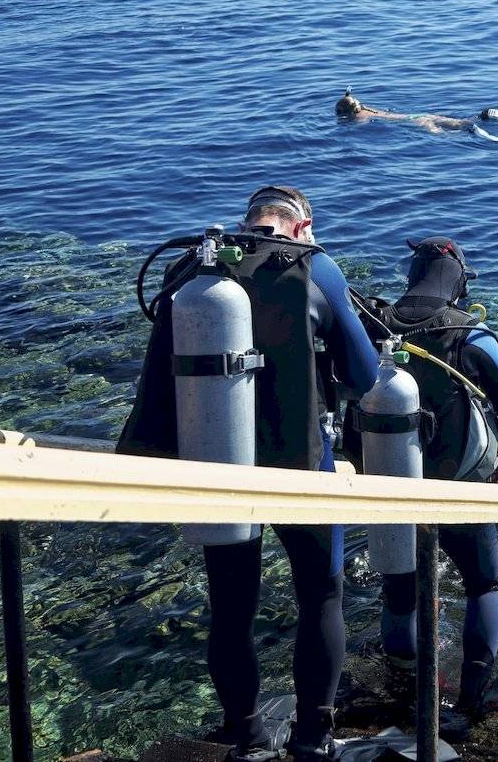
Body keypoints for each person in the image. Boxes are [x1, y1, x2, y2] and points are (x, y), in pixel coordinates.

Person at [118, 185, 380, 762]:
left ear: (249, 222)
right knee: (322, 595)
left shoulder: (196, 268)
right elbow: (365, 377)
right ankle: (314, 738)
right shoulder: (318, 268)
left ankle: (248, 735)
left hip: (216, 460)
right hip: (304, 463)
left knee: (232, 607)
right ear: (303, 225)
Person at [347, 236, 498, 731]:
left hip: (387, 481)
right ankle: (473, 694)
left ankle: (402, 682)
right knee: (483, 584)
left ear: (411, 276)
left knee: (399, 591)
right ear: (459, 283)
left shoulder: (371, 325)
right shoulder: (470, 333)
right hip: (458, 487)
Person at [334, 89, 498, 142]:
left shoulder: (360, 116)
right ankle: (483, 117)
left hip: (420, 122)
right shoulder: (369, 108)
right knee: (459, 123)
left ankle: (478, 128)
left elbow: (360, 127)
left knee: (452, 133)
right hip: (420, 115)